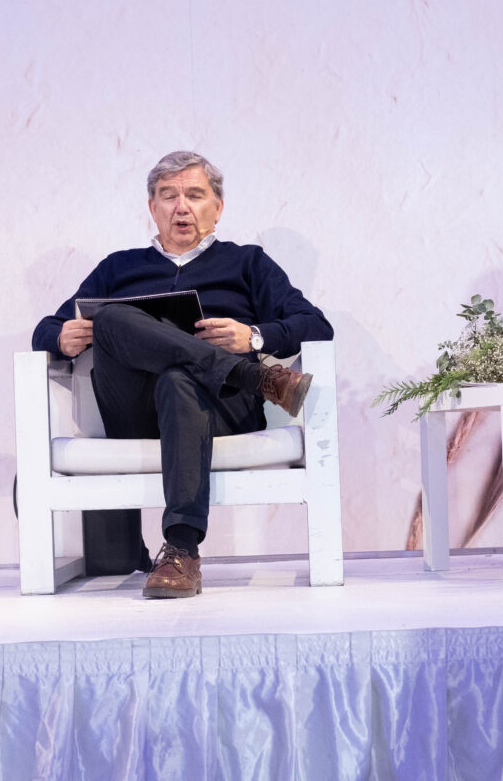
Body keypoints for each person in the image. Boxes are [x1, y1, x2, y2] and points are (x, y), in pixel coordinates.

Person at [32, 151, 334, 599]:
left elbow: (315, 325)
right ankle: (256, 379)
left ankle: (181, 550)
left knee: (179, 380)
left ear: (218, 207)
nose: (181, 206)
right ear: (152, 207)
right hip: (134, 410)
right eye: (168, 196)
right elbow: (45, 329)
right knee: (112, 319)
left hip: (220, 409)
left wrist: (251, 336)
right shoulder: (119, 267)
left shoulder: (247, 263)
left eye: (195, 195)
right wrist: (62, 337)